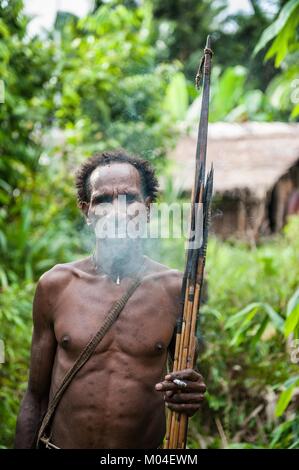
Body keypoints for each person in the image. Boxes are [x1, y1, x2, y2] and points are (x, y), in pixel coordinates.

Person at [15, 150, 206, 449]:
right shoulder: (56, 286)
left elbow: (190, 377)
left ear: (147, 209)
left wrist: (190, 391)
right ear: (86, 212)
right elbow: (35, 397)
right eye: (103, 200)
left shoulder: (178, 291)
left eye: (129, 199)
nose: (117, 211)